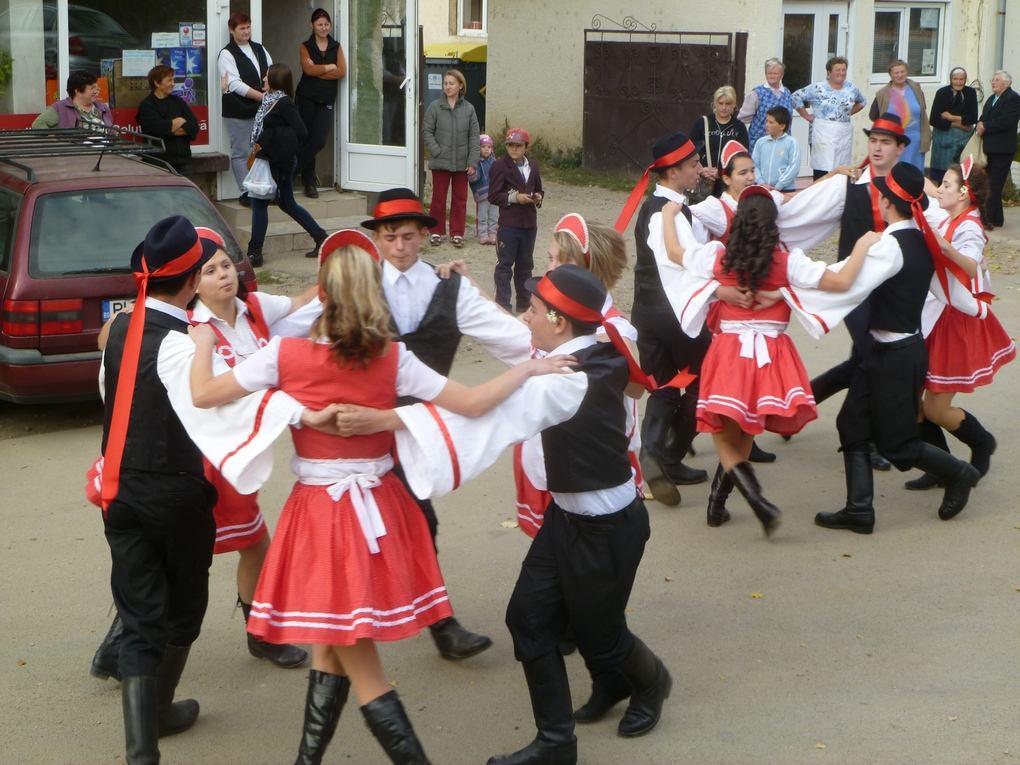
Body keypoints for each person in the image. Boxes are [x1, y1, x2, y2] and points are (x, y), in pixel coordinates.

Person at [188, 229, 573, 765]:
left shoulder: (284, 354)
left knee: (356, 658)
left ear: (322, 291)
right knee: (330, 645)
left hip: (321, 514)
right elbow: (473, 403)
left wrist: (204, 343)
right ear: (373, 292)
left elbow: (203, 394)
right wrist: (528, 367)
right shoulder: (392, 358)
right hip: (380, 507)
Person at [98, 215, 340, 764]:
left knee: (140, 618)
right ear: (189, 283)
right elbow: (227, 403)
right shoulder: (184, 345)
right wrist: (310, 413)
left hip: (120, 493)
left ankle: (145, 746)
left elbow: (110, 401)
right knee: (182, 610)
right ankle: (157, 714)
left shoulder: (122, 327)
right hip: (173, 494)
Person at [273, 187, 535, 662]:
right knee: (375, 528)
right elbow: (278, 333)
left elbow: (514, 340)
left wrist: (567, 348)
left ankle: (393, 624)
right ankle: (406, 624)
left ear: (423, 237)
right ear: (376, 239)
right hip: (353, 434)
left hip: (420, 430)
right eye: (390, 237)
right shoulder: (353, 287)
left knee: (412, 522)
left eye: (408, 236)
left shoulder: (449, 289)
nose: (398, 247)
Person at [485, 265, 671, 765]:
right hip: (567, 519)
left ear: (560, 322)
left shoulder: (568, 379)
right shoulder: (587, 350)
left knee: (602, 637)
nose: (526, 316)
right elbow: (506, 337)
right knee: (527, 617)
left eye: (533, 310)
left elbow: (484, 417)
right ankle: (556, 743)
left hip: (608, 529)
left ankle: (651, 682)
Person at [662, 185, 872, 531]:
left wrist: (670, 214)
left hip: (729, 352)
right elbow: (841, 280)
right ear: (774, 224)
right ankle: (719, 504)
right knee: (744, 430)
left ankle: (753, 497)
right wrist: (862, 246)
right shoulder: (786, 263)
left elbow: (673, 251)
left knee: (725, 436)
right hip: (769, 357)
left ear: (739, 221)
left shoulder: (719, 258)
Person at [812, 162, 981, 534]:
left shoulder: (889, 245)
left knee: (898, 444)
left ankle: (960, 473)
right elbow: (948, 290)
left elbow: (848, 284)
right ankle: (859, 510)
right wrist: (978, 307)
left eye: (880, 194)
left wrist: (797, 286)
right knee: (851, 423)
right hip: (893, 353)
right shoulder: (922, 237)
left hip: (895, 358)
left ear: (886, 202)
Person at [614, 130, 711, 505]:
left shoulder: (659, 206)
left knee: (665, 384)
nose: (699, 170)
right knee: (705, 378)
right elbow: (680, 258)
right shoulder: (667, 213)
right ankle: (667, 455)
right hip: (674, 312)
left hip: (647, 312)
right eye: (693, 165)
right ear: (671, 172)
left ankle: (657, 453)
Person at [905, 159, 1015, 490]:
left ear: (965, 194)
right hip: (934, 315)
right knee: (913, 400)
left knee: (935, 408)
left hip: (956, 321)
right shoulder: (951, 216)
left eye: (948, 186)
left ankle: (981, 445)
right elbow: (926, 191)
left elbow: (968, 264)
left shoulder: (970, 226)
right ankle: (942, 467)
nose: (940, 189)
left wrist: (942, 247)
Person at [246, 63, 328, 267]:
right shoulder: (268, 100)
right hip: (269, 160)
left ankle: (254, 252)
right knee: (287, 203)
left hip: (278, 162)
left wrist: (268, 141)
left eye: (267, 77)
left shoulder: (284, 103)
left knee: (259, 203)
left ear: (276, 80)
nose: (263, 79)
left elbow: (301, 131)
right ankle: (320, 237)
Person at [218, 12, 272, 207]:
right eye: (242, 28)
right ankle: (246, 192)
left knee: (262, 150)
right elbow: (233, 84)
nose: (246, 31)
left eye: (248, 27)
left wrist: (269, 96)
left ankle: (263, 190)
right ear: (232, 30)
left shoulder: (259, 49)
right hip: (239, 110)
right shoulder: (226, 53)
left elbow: (271, 73)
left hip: (262, 109)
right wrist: (262, 97)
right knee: (242, 151)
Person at [423, 68, 480, 247]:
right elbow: (427, 131)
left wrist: (472, 161)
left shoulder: (469, 109)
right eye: (445, 83)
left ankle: (457, 233)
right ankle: (436, 231)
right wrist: (437, 151)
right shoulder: (435, 107)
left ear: (460, 85)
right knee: (438, 198)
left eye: (451, 83)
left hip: (462, 163)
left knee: (460, 199)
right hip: (441, 161)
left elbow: (474, 137)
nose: (447, 87)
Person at [489, 127, 544, 313]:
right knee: (505, 265)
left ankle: (524, 304)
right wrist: (514, 198)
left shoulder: (533, 166)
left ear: (526, 147)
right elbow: (493, 195)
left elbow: (539, 188)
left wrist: (538, 197)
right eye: (510, 145)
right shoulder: (499, 166)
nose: (514, 149)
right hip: (509, 224)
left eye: (518, 146)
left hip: (529, 223)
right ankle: (503, 304)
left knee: (525, 266)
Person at [295, 8, 346, 199]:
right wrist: (327, 67)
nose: (324, 28)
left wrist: (319, 70)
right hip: (306, 97)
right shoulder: (305, 46)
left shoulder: (336, 46)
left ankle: (290, 172)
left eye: (326, 24)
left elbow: (341, 71)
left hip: (326, 99)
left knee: (318, 141)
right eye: (320, 24)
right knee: (306, 138)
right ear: (312, 25)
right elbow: (307, 70)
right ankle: (309, 182)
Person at [791, 56, 866, 179]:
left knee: (841, 172)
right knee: (823, 171)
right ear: (829, 72)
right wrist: (805, 115)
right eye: (837, 70)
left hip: (843, 134)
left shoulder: (851, 89)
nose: (841, 73)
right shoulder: (818, 88)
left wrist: (847, 113)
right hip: (822, 134)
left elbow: (863, 102)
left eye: (844, 70)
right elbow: (795, 97)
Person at [136, 65, 199, 176]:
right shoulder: (147, 105)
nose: (173, 83)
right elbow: (156, 129)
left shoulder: (178, 102)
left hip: (183, 163)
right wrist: (180, 121)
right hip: (159, 163)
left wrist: (170, 128)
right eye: (169, 80)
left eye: (173, 80)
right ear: (157, 83)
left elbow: (193, 127)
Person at [976, 70, 1020, 229]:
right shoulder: (991, 98)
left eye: (996, 80)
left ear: (1006, 83)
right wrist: (980, 123)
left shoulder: (1013, 98)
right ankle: (996, 219)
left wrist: (986, 126)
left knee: (994, 184)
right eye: (992, 79)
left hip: (1002, 149)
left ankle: (989, 219)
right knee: (988, 183)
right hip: (989, 148)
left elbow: (1007, 121)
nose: (992, 82)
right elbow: (984, 116)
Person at [869, 60, 930, 171]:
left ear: (907, 72)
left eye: (902, 72)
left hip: (915, 140)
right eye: (896, 73)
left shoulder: (916, 88)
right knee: (895, 171)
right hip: (893, 140)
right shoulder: (883, 94)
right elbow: (873, 116)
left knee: (914, 172)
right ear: (890, 75)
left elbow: (922, 109)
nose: (900, 75)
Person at [690, 85, 750, 197]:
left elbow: (742, 156)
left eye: (728, 104)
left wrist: (721, 172)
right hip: (703, 179)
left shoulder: (739, 127)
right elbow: (691, 151)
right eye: (720, 103)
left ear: (733, 105)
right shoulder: (702, 123)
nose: (724, 107)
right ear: (714, 104)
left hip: (727, 181)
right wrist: (701, 169)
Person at [928, 67, 978, 184]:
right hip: (943, 140)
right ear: (951, 79)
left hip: (963, 141)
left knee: (961, 175)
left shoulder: (970, 93)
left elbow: (972, 118)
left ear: (965, 80)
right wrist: (959, 125)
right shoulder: (942, 93)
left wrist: (951, 117)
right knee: (942, 177)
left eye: (961, 79)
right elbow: (934, 120)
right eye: (955, 79)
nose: (958, 82)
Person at [737, 57, 793, 151]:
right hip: (760, 143)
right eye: (769, 73)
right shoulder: (756, 93)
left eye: (775, 73)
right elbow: (742, 119)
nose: (771, 76)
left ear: (782, 75)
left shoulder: (787, 93)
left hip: (782, 143)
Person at [31, 70, 112, 130]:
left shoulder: (102, 107)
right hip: (76, 151)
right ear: (77, 91)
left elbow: (111, 131)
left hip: (105, 151)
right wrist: (55, 140)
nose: (96, 91)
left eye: (97, 88)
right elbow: (37, 125)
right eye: (92, 88)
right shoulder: (60, 108)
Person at [752, 106, 800, 191]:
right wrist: (761, 183)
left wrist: (779, 185)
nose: (767, 125)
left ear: (782, 126)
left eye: (771, 122)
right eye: (766, 121)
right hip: (763, 188)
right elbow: (754, 165)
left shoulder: (791, 143)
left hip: (785, 189)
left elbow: (794, 167)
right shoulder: (760, 142)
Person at [471, 134, 498, 243]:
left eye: (489, 147)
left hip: (494, 193)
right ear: (478, 148)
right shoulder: (476, 162)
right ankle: (482, 234)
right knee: (482, 215)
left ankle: (492, 233)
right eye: (483, 147)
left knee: (494, 215)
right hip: (482, 194)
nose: (486, 149)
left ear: (492, 149)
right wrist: (472, 175)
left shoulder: (495, 162)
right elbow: (473, 179)